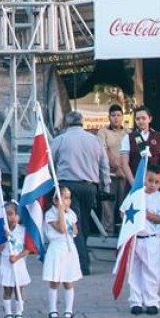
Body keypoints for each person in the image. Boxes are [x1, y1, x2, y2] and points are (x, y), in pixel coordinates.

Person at [50, 110, 109, 275]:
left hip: (68, 187)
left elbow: (50, 163)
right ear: (83, 122)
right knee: (83, 222)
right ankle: (80, 258)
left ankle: (82, 265)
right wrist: (106, 187)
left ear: (67, 123)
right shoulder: (94, 140)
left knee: (75, 224)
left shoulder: (60, 140)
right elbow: (104, 165)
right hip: (90, 187)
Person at [118, 106, 160, 265]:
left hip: (154, 183)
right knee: (133, 215)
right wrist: (134, 184)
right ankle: (130, 247)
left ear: (150, 119)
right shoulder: (129, 138)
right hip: (136, 184)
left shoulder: (159, 137)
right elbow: (124, 163)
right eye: (138, 118)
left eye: (143, 118)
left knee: (156, 214)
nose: (141, 121)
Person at [126, 164, 160, 315]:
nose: (152, 185)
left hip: (151, 239)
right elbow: (123, 212)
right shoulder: (136, 194)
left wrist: (148, 215)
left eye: (157, 182)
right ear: (144, 179)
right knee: (134, 270)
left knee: (152, 270)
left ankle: (152, 301)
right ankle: (136, 301)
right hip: (135, 238)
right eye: (150, 180)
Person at [42, 185, 82, 318]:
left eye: (69, 198)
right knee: (54, 281)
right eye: (65, 198)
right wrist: (60, 211)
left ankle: (68, 311)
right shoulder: (50, 214)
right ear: (56, 201)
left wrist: (67, 216)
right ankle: (52, 310)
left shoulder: (71, 213)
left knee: (68, 281)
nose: (68, 201)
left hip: (68, 248)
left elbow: (75, 231)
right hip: (56, 248)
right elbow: (62, 229)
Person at [0, 201, 30, 318]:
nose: (9, 218)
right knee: (7, 289)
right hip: (6, 262)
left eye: (11, 214)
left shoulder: (23, 230)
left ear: (17, 216)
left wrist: (18, 257)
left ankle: (19, 313)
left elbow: (27, 249)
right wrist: (4, 238)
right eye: (6, 215)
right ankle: (8, 313)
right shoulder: (2, 230)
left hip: (19, 263)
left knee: (19, 289)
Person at [96, 105, 126, 232]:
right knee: (108, 204)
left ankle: (125, 232)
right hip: (108, 173)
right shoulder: (102, 132)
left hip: (125, 173)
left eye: (118, 115)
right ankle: (107, 232)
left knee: (125, 203)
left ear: (122, 117)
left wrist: (122, 168)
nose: (116, 118)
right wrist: (117, 166)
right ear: (109, 117)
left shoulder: (129, 133)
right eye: (113, 115)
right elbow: (103, 150)